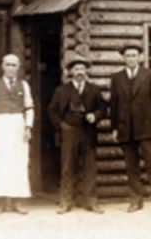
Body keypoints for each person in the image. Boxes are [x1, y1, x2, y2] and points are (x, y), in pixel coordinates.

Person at [109, 43, 151, 216]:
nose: (131, 58)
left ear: (140, 57)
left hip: (147, 129)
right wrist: (114, 127)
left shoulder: (150, 75)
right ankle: (135, 201)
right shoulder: (116, 78)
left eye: (134, 55)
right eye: (128, 55)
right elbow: (114, 105)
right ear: (123, 58)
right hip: (126, 129)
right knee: (131, 168)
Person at [47, 51, 106, 214]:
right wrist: (61, 126)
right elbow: (52, 110)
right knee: (67, 168)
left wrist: (95, 115)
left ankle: (91, 202)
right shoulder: (62, 90)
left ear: (86, 71)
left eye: (82, 69)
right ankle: (66, 202)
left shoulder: (94, 90)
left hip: (88, 133)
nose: (79, 72)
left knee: (89, 168)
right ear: (71, 72)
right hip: (69, 134)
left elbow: (103, 108)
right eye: (76, 69)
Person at [0, 53, 35, 215]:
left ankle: (17, 201)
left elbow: (29, 107)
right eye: (8, 64)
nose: (11, 68)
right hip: (1, 123)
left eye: (14, 65)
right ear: (2, 66)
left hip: (18, 124)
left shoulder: (24, 85)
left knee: (19, 162)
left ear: (18, 67)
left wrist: (28, 127)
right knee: (0, 162)